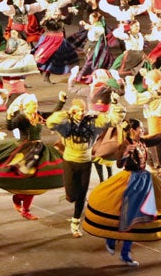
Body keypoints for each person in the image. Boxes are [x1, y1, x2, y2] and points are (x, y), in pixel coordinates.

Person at [82, 118, 161, 267]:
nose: (142, 130)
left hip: (144, 181)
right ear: (132, 130)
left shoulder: (142, 142)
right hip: (130, 182)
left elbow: (157, 139)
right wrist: (124, 154)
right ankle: (118, 246)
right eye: (140, 128)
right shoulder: (125, 144)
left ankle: (119, 247)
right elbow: (119, 164)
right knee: (129, 218)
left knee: (134, 219)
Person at [46, 94, 124, 237]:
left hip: (85, 162)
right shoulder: (66, 123)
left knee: (82, 195)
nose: (81, 113)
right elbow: (50, 122)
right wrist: (66, 112)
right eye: (78, 110)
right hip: (69, 161)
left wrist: (115, 103)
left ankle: (75, 224)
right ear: (73, 111)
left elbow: (114, 120)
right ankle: (72, 199)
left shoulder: (93, 122)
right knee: (71, 195)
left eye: (83, 110)